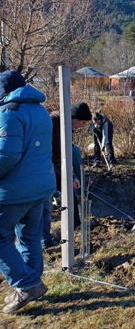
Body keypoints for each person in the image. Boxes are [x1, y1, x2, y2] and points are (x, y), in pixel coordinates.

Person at [0, 70, 55, 313]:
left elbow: (7, 154)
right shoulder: (40, 110)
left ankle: (27, 284)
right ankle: (31, 285)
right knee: (30, 237)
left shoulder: (10, 112)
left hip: (14, 190)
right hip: (41, 186)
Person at [44, 102, 92, 248]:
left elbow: (64, 156)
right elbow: (57, 157)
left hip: (51, 168)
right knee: (44, 206)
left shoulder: (64, 125)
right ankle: (45, 241)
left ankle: (71, 224)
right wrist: (69, 177)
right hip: (44, 169)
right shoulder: (54, 123)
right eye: (82, 122)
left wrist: (73, 176)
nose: (83, 126)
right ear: (74, 118)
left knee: (63, 196)